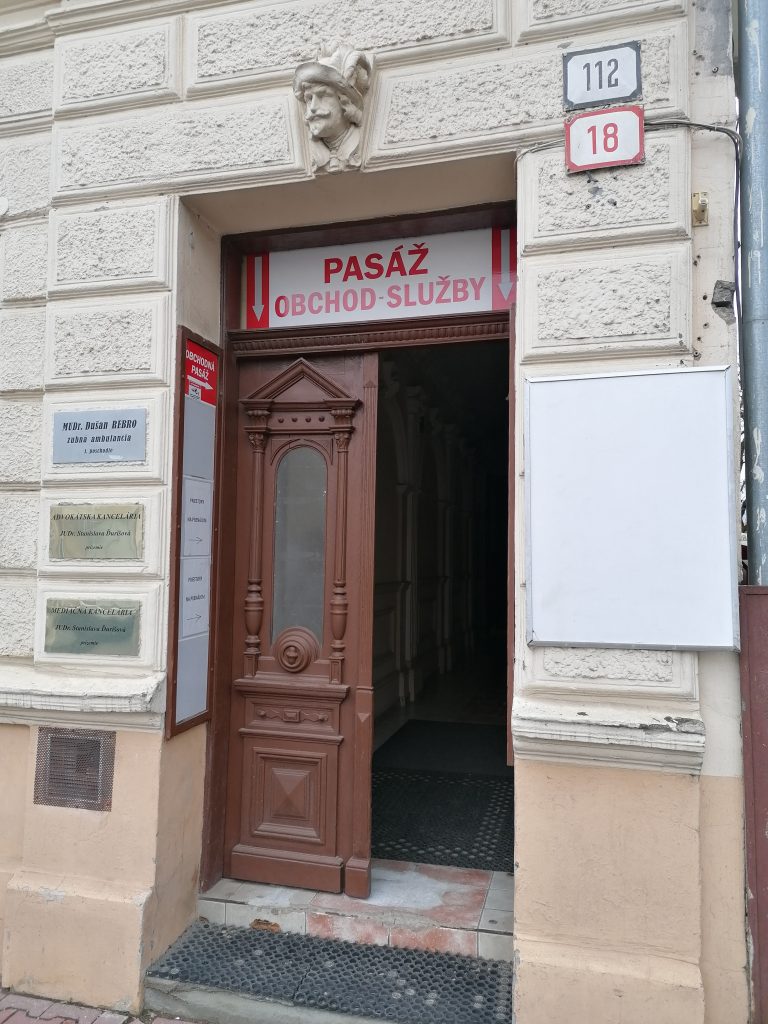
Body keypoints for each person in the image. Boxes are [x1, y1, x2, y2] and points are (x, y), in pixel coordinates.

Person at [293, 42, 372, 174]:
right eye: (309, 98)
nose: (312, 108)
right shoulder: (313, 150)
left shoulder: (360, 140)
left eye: (322, 95)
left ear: (345, 101)